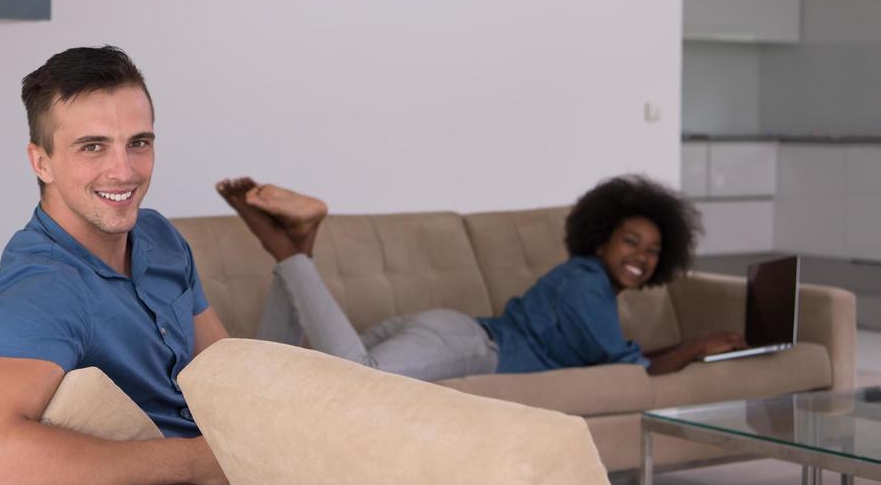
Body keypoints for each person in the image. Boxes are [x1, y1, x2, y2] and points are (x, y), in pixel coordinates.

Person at [0, 46, 232, 485]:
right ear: (40, 161)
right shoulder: (38, 288)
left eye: (138, 143)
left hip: (249, 464)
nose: (124, 171)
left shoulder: (158, 234)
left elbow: (225, 368)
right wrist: (194, 461)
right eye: (93, 146)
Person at [214, 174, 744, 380]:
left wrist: (693, 344)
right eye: (631, 242)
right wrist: (695, 347)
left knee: (295, 375)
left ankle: (297, 243)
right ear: (602, 237)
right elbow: (629, 368)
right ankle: (283, 244)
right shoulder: (586, 284)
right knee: (362, 377)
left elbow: (620, 353)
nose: (642, 258)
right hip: (472, 346)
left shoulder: (586, 283)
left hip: (448, 331)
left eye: (653, 251)